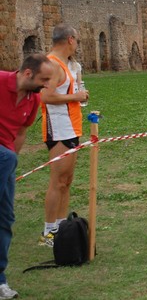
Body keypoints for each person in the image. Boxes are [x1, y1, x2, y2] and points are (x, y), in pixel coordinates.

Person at [0, 54, 53, 299]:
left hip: (5, 160)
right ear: (28, 73)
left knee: (6, 217)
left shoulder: (33, 101)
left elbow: (20, 133)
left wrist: (11, 163)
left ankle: (0, 281)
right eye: (44, 79)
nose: (47, 84)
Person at [39, 24, 89, 247]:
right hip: (58, 128)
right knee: (57, 181)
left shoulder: (68, 65)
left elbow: (67, 92)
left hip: (71, 126)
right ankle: (48, 232)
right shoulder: (51, 64)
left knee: (67, 181)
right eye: (76, 40)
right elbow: (45, 97)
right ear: (70, 40)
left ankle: (61, 227)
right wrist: (75, 97)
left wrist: (78, 95)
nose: (77, 44)